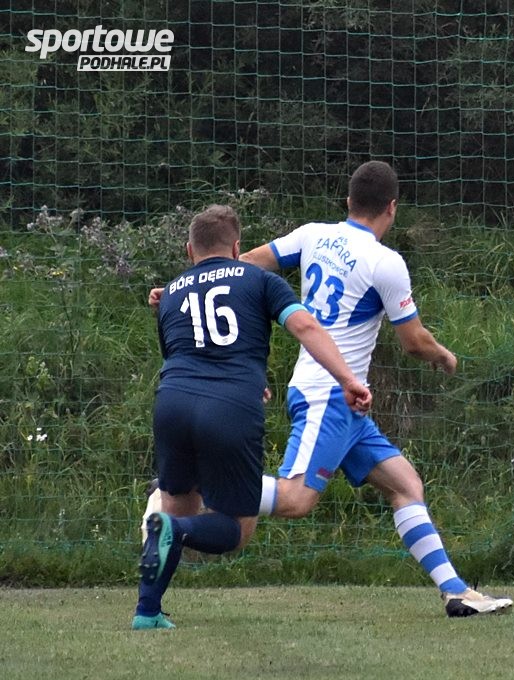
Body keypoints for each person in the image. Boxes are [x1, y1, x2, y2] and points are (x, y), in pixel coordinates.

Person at [238, 160, 512, 617]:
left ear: (348, 201)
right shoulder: (385, 262)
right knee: (296, 499)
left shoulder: (312, 235)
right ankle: (196, 490)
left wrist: (184, 289)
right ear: (392, 207)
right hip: (329, 394)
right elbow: (413, 341)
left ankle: (456, 592)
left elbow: (244, 264)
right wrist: (443, 355)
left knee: (405, 484)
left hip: (347, 402)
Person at [134, 205, 372, 630]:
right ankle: (171, 529)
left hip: (172, 402)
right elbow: (306, 328)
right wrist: (347, 379)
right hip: (230, 407)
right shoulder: (260, 279)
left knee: (178, 514)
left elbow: (182, 352)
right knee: (234, 529)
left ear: (189, 250)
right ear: (237, 247)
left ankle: (147, 612)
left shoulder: (170, 292)